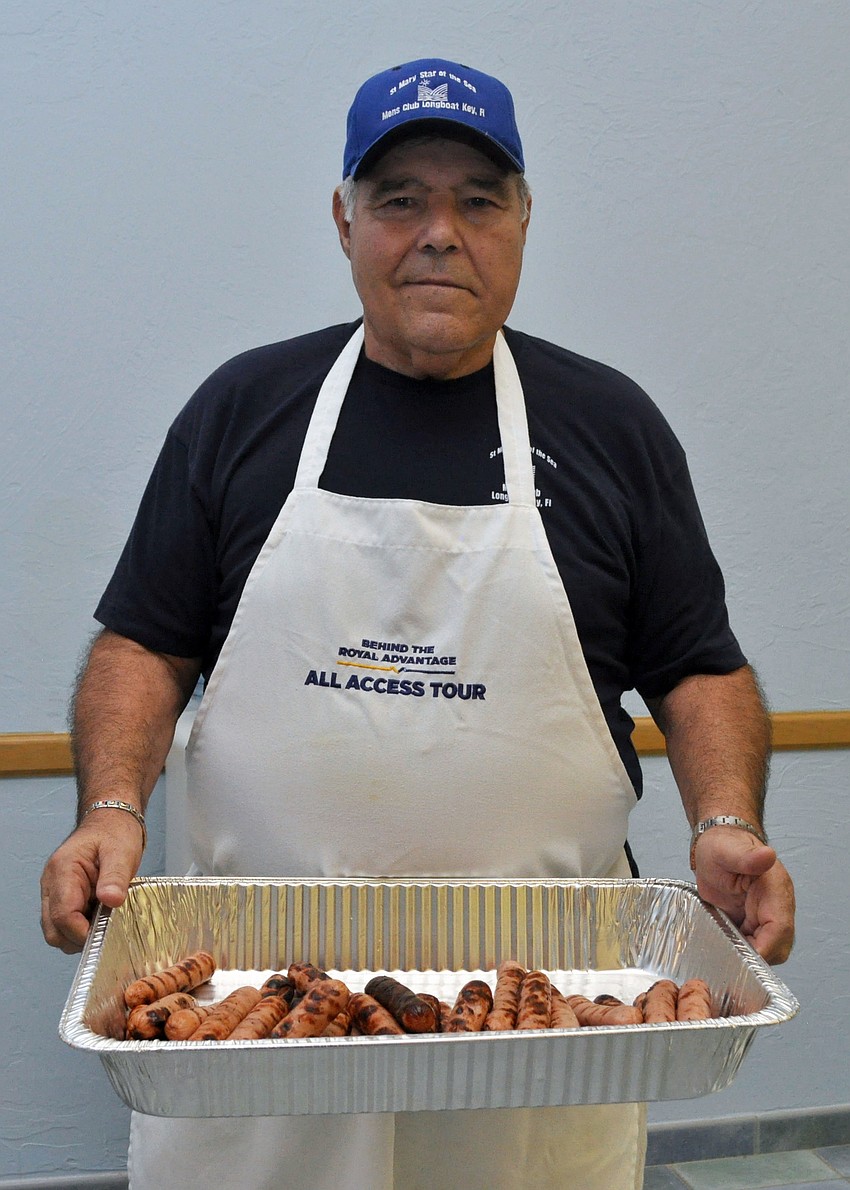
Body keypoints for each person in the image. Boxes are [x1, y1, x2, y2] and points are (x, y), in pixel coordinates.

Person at [40, 57, 795, 1190]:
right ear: (344, 220)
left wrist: (725, 818)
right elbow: (144, 643)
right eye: (401, 199)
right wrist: (108, 807)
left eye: (478, 201)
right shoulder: (241, 411)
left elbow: (698, 668)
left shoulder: (613, 428)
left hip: (534, 1029)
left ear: (524, 223)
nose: (441, 233)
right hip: (263, 1017)